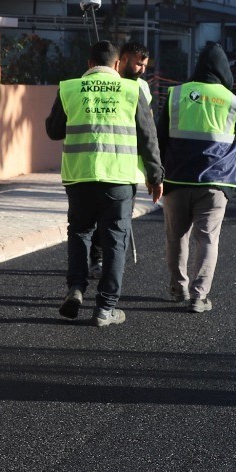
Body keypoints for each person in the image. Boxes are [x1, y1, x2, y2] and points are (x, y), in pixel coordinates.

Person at [45, 40, 164, 327]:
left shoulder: (69, 88)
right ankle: (105, 309)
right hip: (118, 180)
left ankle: (75, 288)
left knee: (80, 233)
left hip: (79, 177)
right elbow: (148, 138)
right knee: (114, 241)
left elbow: (53, 130)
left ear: (88, 64)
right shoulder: (132, 89)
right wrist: (155, 176)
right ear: (116, 65)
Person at [159, 43, 236, 313]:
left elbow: (159, 137)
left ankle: (178, 289)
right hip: (216, 182)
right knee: (207, 239)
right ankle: (199, 297)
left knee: (176, 237)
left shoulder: (176, 95)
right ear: (224, 70)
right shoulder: (231, 101)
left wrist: (156, 174)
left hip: (177, 180)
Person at [88, 40, 154, 278]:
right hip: (100, 161)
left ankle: (113, 262)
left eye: (145, 65)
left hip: (128, 166)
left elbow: (148, 129)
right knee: (98, 218)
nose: (142, 70)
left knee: (120, 221)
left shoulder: (142, 89)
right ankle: (97, 259)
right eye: (138, 64)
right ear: (122, 59)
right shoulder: (103, 82)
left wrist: (151, 170)